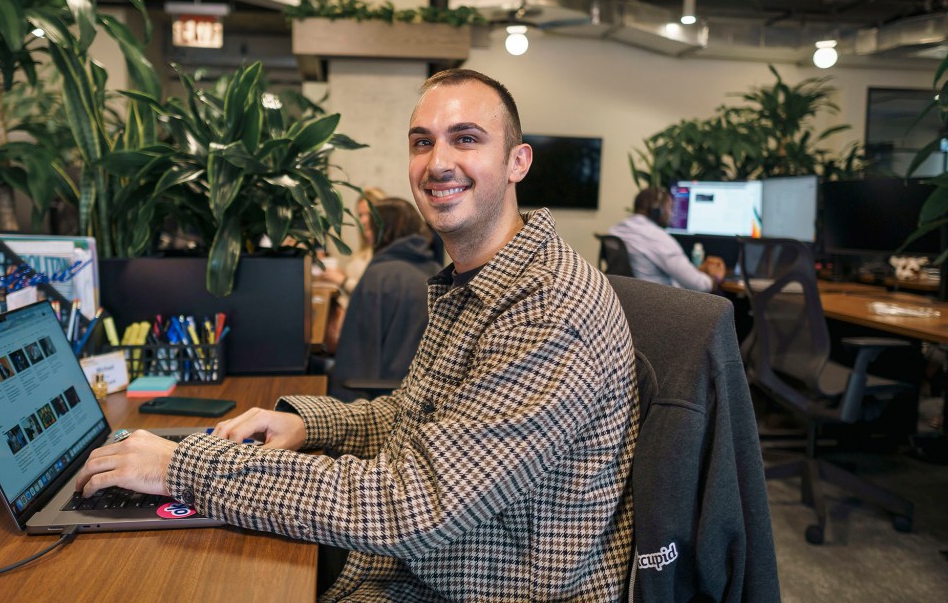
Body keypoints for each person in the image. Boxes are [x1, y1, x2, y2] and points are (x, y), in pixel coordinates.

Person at [76, 69, 639, 601]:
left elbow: (412, 506)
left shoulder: (547, 307)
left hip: (478, 587)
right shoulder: (479, 281)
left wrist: (182, 466)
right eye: (422, 142)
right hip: (430, 570)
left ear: (518, 162)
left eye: (466, 139)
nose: (438, 162)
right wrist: (307, 422)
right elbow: (414, 418)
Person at [327, 197, 443, 401]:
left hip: (382, 399)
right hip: (424, 395)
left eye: (370, 229)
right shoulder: (435, 271)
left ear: (385, 231)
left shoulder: (379, 277)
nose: (366, 235)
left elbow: (354, 359)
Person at [610, 187, 726, 292]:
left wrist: (696, 270)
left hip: (630, 300)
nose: (671, 213)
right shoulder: (658, 238)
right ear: (658, 210)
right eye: (669, 208)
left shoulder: (617, 229)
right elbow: (700, 285)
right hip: (662, 305)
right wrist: (716, 277)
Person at [318, 186, 388, 297]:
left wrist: (344, 281)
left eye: (368, 214)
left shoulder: (386, 252)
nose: (363, 220)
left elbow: (376, 292)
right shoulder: (364, 250)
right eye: (360, 215)